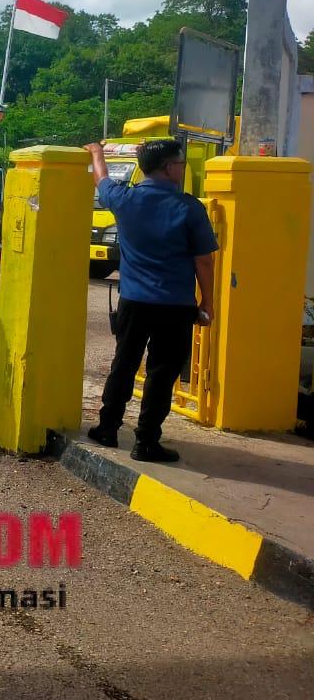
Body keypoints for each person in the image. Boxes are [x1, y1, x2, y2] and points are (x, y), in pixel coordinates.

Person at [84, 140, 217, 463]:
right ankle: (145, 442)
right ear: (169, 168)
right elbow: (204, 261)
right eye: (181, 164)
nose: (183, 169)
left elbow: (101, 179)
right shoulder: (189, 208)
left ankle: (107, 428)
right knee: (161, 373)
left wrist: (97, 153)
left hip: (134, 301)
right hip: (175, 306)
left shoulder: (125, 199)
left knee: (124, 364)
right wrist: (208, 303)